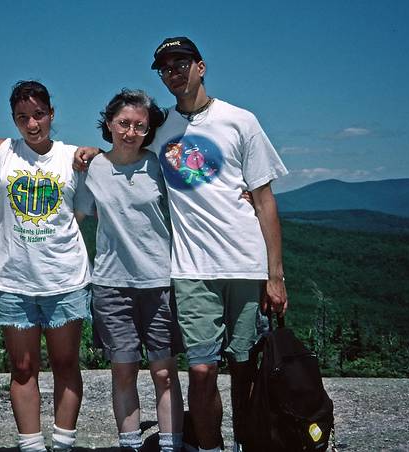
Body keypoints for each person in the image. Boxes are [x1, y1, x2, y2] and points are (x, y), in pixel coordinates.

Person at [79, 36, 289, 451]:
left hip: (245, 263)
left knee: (246, 367)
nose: (175, 72)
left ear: (201, 66)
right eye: (166, 67)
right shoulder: (160, 131)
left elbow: (264, 201)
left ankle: (250, 442)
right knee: (202, 370)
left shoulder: (241, 121)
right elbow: (125, 149)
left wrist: (275, 274)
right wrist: (88, 154)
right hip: (191, 269)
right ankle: (209, 447)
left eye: (182, 63)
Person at [75, 89, 184, 452]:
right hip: (111, 284)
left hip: (158, 281)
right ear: (108, 124)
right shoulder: (93, 168)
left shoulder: (159, 165)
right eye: (123, 123)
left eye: (139, 125)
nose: (130, 131)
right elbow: (73, 218)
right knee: (123, 370)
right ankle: (130, 444)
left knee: (164, 372)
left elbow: (193, 200)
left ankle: (170, 444)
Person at [0, 80, 91, 452]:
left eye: (39, 115)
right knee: (23, 368)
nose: (32, 124)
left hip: (63, 278)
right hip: (13, 280)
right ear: (13, 120)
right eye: (22, 117)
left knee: (65, 364)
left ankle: (62, 445)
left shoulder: (72, 157)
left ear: (52, 114)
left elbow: (112, 169)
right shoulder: (4, 153)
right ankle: (31, 446)